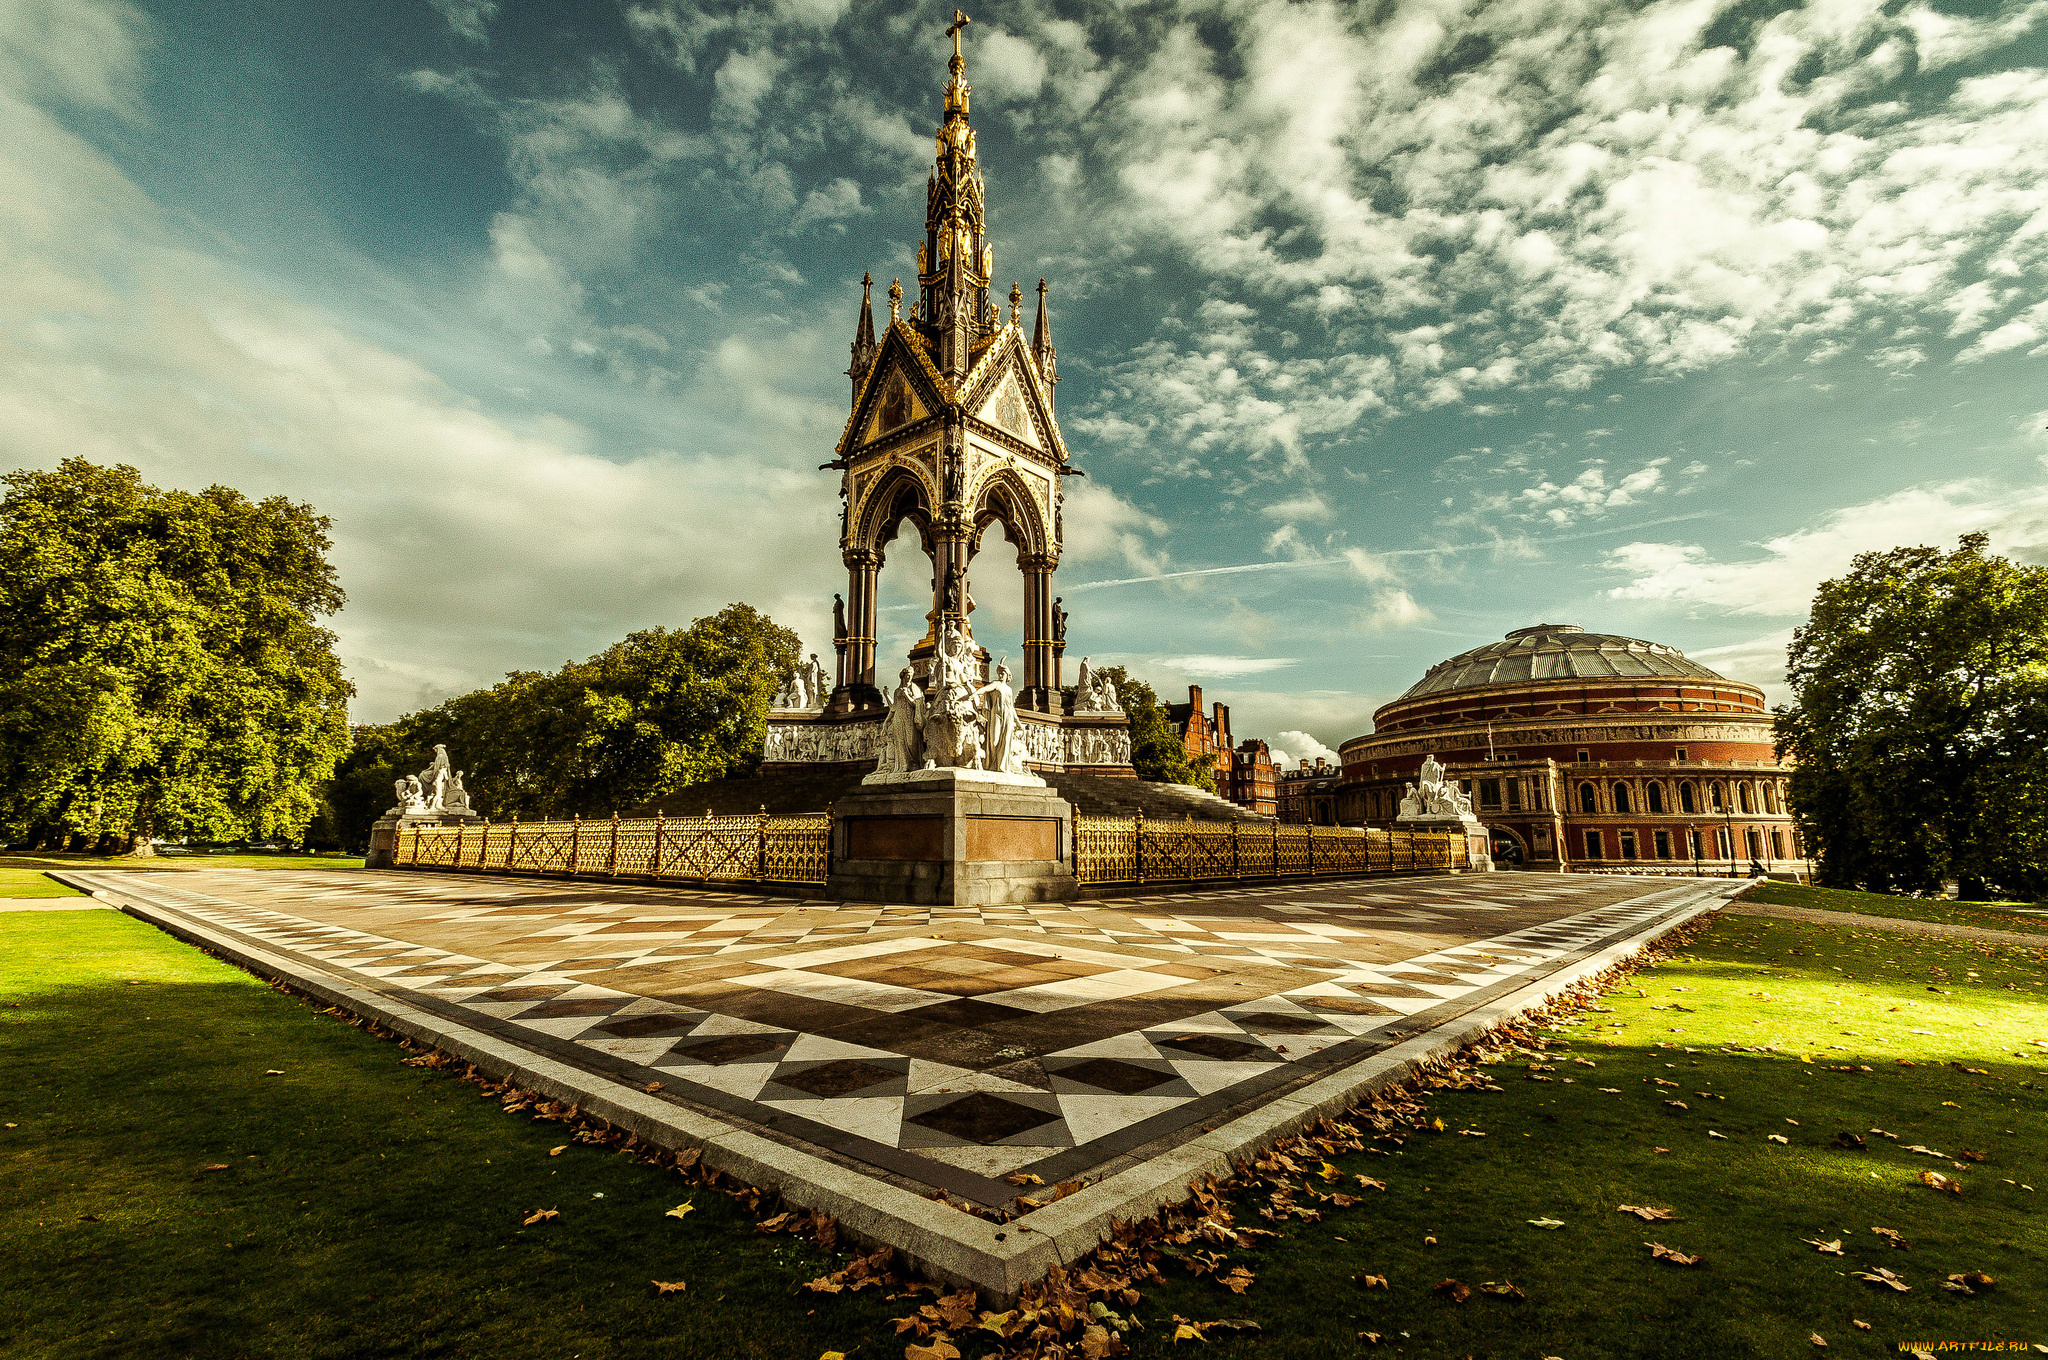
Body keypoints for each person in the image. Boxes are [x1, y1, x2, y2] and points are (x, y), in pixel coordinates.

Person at [874, 668, 923, 774]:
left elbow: (916, 704)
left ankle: (914, 763)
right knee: (900, 742)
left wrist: (906, 695)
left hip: (909, 717)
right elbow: (893, 708)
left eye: (911, 675)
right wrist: (886, 722)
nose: (909, 677)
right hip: (898, 718)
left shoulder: (914, 688)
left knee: (911, 742)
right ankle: (904, 765)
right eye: (907, 675)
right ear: (903, 676)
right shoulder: (897, 691)